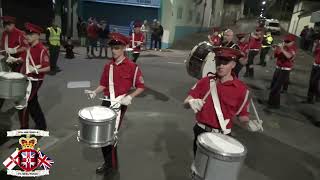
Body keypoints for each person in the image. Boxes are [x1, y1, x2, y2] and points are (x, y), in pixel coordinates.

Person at [84, 32, 145, 175]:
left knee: (111, 136)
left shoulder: (132, 67)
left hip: (120, 102)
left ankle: (112, 167)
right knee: (102, 136)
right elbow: (103, 85)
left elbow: (141, 87)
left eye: (117, 48)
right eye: (112, 48)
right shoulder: (108, 66)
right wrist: (94, 92)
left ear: (124, 48)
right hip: (107, 101)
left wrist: (130, 97)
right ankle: (108, 162)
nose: (114, 51)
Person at [183, 47, 250, 156]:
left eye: (225, 62)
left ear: (233, 64)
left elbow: (242, 117)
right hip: (201, 131)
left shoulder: (242, 90)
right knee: (199, 166)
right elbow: (185, 103)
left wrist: (248, 123)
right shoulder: (204, 82)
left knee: (216, 170)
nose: (221, 65)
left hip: (223, 136)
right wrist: (190, 102)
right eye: (218, 61)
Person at [18, 22, 51, 130]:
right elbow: (24, 58)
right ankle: (41, 126)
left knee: (24, 103)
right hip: (26, 78)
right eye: (27, 34)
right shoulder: (28, 47)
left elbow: (48, 68)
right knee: (33, 104)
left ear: (37, 35)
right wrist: (16, 59)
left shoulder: (42, 49)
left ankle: (24, 129)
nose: (27, 36)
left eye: (30, 34)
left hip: (35, 80)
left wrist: (36, 69)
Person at [0, 16, 28, 110]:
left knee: (16, 83)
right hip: (8, 61)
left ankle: (19, 101)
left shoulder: (20, 33)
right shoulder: (4, 34)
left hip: (18, 61)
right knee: (5, 82)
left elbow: (25, 47)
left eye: (8, 25)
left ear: (13, 24)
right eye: (5, 25)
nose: (7, 27)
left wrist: (14, 51)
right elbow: (2, 46)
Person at [268, 34, 297, 109]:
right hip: (278, 69)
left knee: (276, 88)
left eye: (288, 42)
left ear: (293, 42)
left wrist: (282, 49)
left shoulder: (292, 48)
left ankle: (273, 104)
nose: (286, 43)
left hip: (285, 71)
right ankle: (274, 103)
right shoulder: (282, 47)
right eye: (285, 41)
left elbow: (289, 56)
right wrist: (274, 50)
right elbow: (273, 57)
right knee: (274, 86)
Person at [304, 36, 320, 104]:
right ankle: (310, 98)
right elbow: (313, 52)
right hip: (315, 65)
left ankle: (317, 96)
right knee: (312, 82)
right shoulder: (318, 46)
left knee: (314, 82)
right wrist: (315, 45)